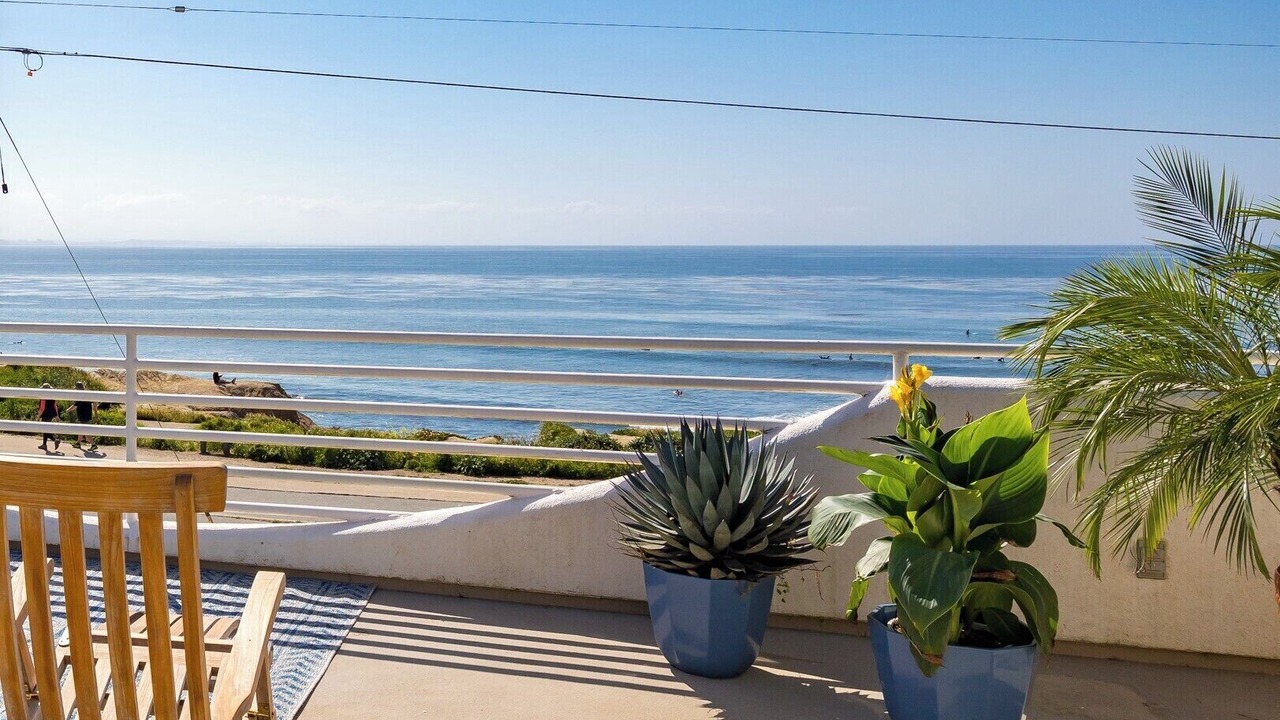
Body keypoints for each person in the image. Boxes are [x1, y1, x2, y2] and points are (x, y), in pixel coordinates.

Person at [71, 380, 97, 451]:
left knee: (85, 430)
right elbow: (94, 402)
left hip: (83, 415)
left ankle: (93, 444)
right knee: (82, 429)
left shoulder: (80, 395)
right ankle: (78, 443)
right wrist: (95, 411)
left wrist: (68, 410)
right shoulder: (88, 394)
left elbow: (75, 405)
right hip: (87, 414)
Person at [37, 382, 60, 452]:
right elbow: (55, 406)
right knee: (46, 429)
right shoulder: (52, 396)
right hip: (51, 414)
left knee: (45, 429)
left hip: (46, 414)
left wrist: (38, 416)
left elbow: (42, 408)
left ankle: (55, 440)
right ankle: (44, 444)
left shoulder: (44, 396)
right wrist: (57, 416)